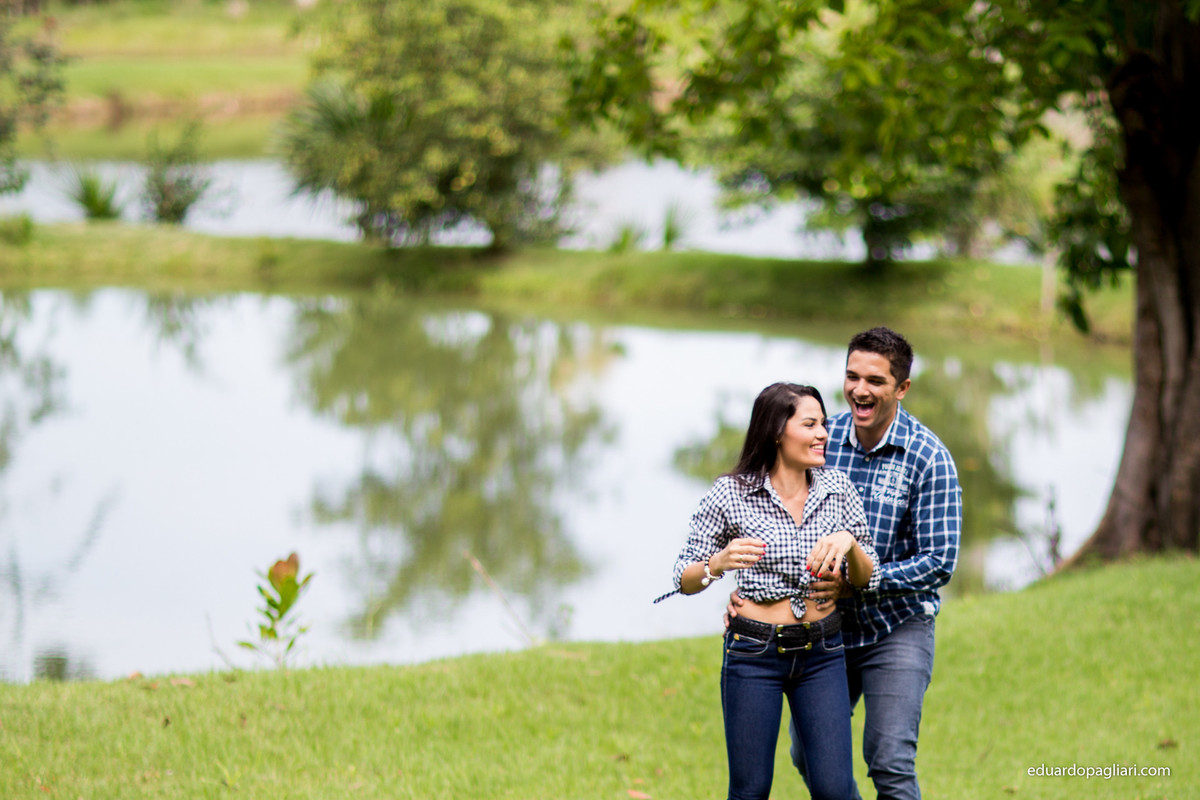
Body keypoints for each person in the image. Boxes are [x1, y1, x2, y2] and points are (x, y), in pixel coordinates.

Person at [727, 327, 962, 800]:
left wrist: (864, 582)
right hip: (825, 630)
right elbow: (770, 512)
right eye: (852, 376)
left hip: (896, 627)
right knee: (808, 756)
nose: (860, 389)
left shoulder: (928, 457)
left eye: (875, 380)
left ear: (902, 388)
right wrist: (751, 596)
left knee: (890, 759)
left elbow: (937, 563)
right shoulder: (819, 440)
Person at [658, 382, 880, 800]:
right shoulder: (732, 493)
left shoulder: (838, 489)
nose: (823, 435)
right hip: (753, 654)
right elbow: (683, 578)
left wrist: (849, 544)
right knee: (750, 790)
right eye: (810, 424)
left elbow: (865, 577)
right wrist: (717, 564)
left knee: (835, 789)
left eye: (825, 425)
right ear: (778, 430)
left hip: (823, 652)